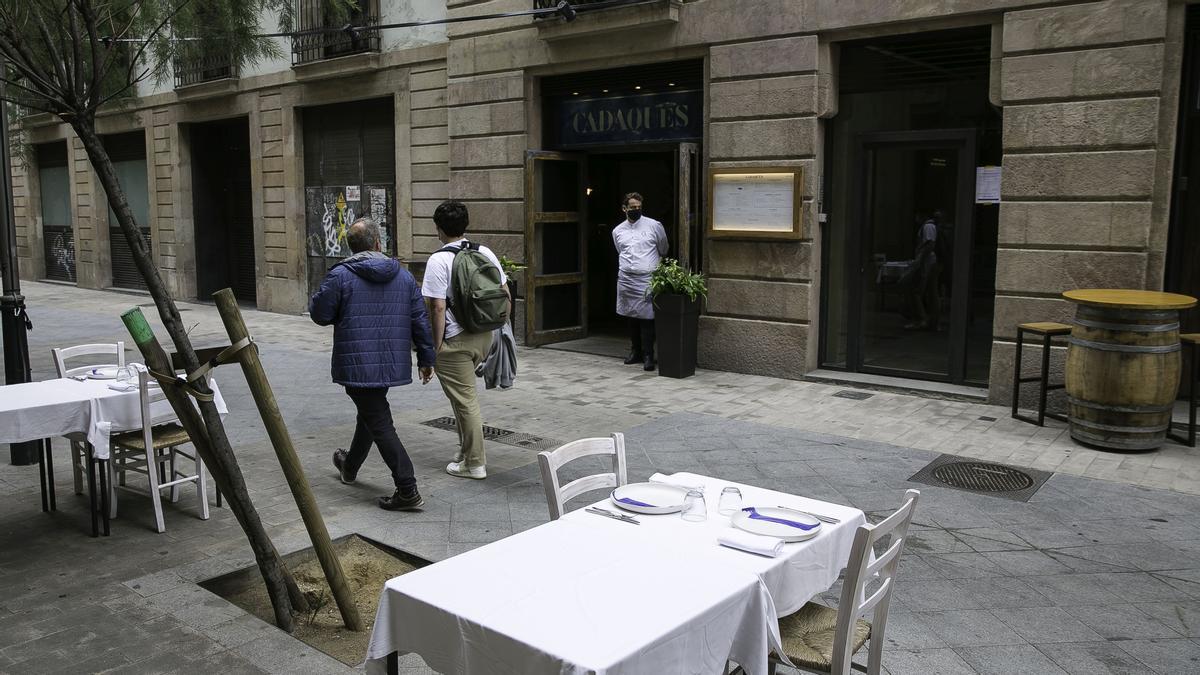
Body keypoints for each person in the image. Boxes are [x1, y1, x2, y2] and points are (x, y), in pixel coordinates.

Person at [309, 217, 436, 511]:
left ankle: (407, 488)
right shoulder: (403, 276)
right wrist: (426, 358)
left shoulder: (340, 275)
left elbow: (320, 314)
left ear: (351, 248)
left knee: (379, 421)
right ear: (379, 244)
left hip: (357, 363)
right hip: (390, 362)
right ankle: (349, 465)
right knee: (371, 412)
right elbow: (420, 319)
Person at [422, 200, 510, 480]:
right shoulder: (484, 251)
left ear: (438, 228)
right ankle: (464, 452)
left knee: (465, 402)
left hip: (454, 340)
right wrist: (499, 326)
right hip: (484, 334)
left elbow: (436, 307)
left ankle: (475, 464)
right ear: (465, 226)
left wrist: (435, 346)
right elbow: (505, 292)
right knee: (462, 398)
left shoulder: (438, 260)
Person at [612, 192, 668, 371]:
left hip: (647, 278)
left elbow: (663, 248)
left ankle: (648, 355)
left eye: (638, 207)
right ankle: (635, 351)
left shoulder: (654, 225)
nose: (636, 210)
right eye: (632, 207)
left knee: (647, 318)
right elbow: (620, 250)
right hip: (627, 278)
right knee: (631, 316)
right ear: (624, 209)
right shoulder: (618, 230)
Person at [905, 211, 941, 331]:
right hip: (929, 262)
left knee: (917, 292)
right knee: (930, 293)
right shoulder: (930, 226)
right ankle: (931, 321)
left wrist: (920, 261)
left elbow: (929, 245)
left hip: (928, 263)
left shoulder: (928, 226)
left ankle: (922, 319)